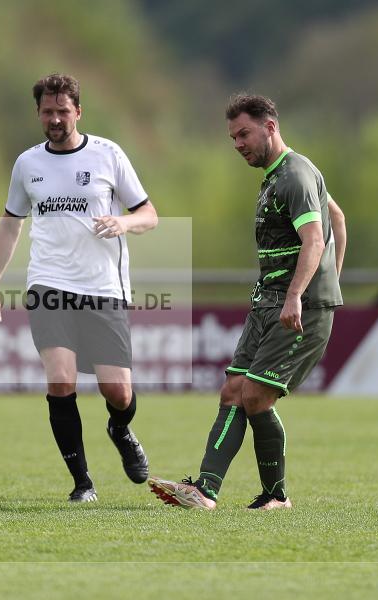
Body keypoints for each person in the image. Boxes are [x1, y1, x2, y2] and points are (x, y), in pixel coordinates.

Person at [149, 94, 346, 510]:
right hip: (269, 302)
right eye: (232, 137)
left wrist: (308, 293)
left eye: (244, 133)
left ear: (269, 127)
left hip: (297, 308)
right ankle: (204, 490)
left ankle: (276, 496)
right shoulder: (281, 175)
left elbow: (315, 237)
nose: (237, 143)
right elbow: (338, 219)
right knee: (233, 390)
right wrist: (331, 276)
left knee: (256, 395)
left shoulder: (294, 176)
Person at [0, 73, 159, 503]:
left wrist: (124, 222)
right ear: (38, 113)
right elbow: (10, 224)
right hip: (48, 285)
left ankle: (119, 428)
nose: (56, 118)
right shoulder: (27, 164)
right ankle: (82, 483)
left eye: (63, 111)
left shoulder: (108, 155)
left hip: (103, 289)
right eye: (48, 111)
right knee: (60, 381)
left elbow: (149, 213)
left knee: (118, 392)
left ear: (78, 111)